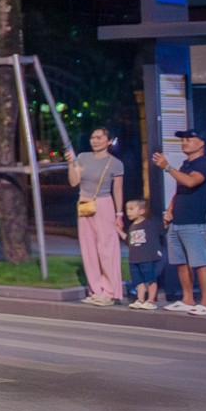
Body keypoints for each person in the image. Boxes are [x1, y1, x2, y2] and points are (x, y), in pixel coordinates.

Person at [153, 130, 206, 315]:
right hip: (177, 222)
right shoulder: (185, 164)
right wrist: (170, 210)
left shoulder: (205, 165)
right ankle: (187, 299)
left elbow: (190, 182)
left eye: (189, 139)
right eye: (183, 139)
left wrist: (167, 167)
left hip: (193, 223)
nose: (184, 142)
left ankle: (205, 303)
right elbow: (180, 190)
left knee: (199, 263)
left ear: (201, 143)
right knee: (180, 262)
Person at [67, 125, 126, 305]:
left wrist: (119, 214)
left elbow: (118, 190)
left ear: (108, 141)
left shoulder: (115, 163)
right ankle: (95, 290)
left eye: (99, 137)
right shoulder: (83, 157)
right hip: (84, 203)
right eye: (93, 137)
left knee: (106, 248)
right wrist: (71, 164)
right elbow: (74, 182)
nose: (95, 141)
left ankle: (110, 291)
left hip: (103, 203)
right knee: (88, 249)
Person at [122, 198, 165, 309]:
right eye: (127, 209)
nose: (128, 212)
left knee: (151, 279)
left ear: (141, 211)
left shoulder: (149, 224)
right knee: (138, 281)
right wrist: (118, 230)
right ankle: (140, 299)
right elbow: (128, 241)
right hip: (134, 259)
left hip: (147, 258)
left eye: (131, 209)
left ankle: (151, 300)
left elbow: (158, 235)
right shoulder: (132, 227)